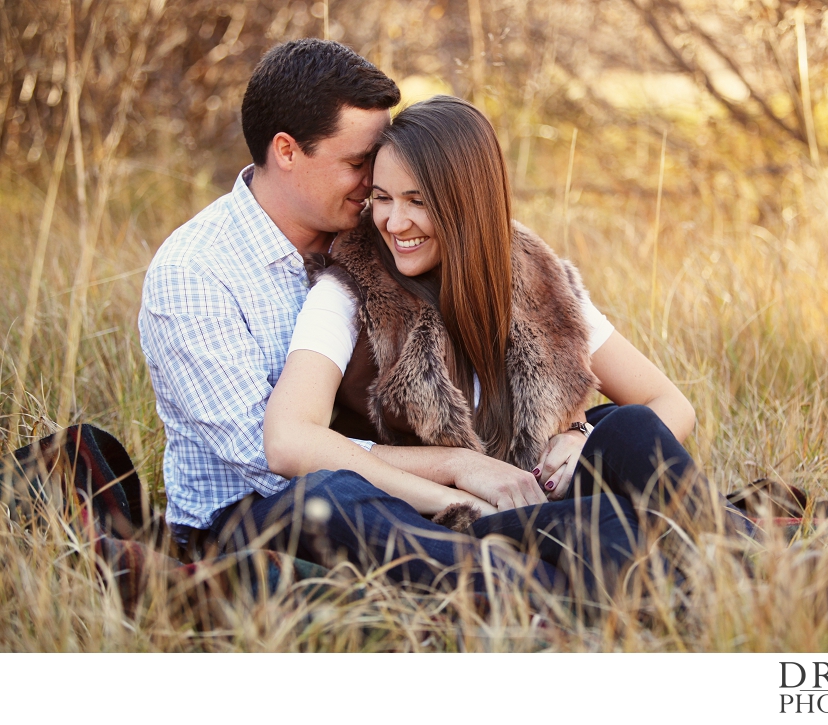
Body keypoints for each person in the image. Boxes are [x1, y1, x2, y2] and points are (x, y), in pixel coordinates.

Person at [139, 40, 640, 597]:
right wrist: (456, 474)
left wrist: (569, 430)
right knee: (332, 499)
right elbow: (272, 459)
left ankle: (614, 559)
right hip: (257, 517)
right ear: (286, 151)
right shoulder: (195, 273)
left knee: (614, 449)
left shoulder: (378, 237)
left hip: (398, 497)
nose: (374, 188)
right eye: (358, 165)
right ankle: (543, 594)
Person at [264, 96, 747, 587]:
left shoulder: (529, 271)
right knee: (605, 524)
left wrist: (580, 441)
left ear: (468, 203)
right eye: (383, 198)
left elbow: (669, 403)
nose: (393, 222)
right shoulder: (348, 290)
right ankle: (725, 591)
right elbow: (288, 440)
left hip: (540, 488)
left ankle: (754, 564)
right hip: (448, 517)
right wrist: (457, 469)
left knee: (630, 428)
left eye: (418, 201)